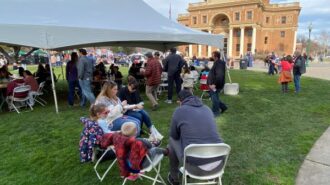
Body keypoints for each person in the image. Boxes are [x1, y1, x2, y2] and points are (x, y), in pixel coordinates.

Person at [167, 90, 223, 185]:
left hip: (195, 168)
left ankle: (174, 177)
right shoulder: (207, 109)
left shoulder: (179, 111)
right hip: (218, 164)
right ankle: (211, 177)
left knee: (172, 140)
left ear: (180, 102)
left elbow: (174, 135)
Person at [101, 122, 167, 180]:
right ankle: (166, 151)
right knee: (154, 149)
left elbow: (107, 138)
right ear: (136, 132)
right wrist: (150, 144)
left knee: (146, 148)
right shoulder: (138, 141)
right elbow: (149, 146)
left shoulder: (117, 138)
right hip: (141, 165)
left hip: (127, 164)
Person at [207, 51, 228, 116]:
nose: (211, 56)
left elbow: (220, 75)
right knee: (215, 97)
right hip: (214, 84)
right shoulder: (217, 62)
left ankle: (215, 112)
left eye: (212, 55)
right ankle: (223, 107)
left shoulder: (219, 63)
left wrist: (214, 84)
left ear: (215, 56)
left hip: (215, 84)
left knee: (214, 98)